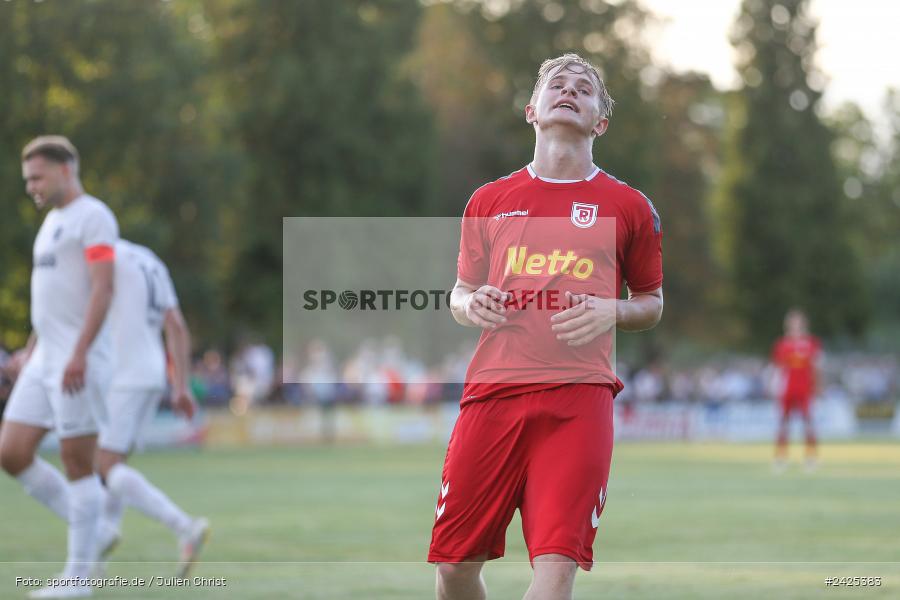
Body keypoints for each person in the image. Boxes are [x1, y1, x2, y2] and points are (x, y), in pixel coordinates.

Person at [428, 54, 664, 600]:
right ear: (532, 110)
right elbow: (459, 293)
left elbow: (651, 303)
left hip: (579, 401)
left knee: (555, 574)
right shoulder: (488, 201)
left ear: (600, 122)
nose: (570, 91)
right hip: (493, 395)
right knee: (454, 569)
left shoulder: (629, 206)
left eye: (584, 88)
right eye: (557, 84)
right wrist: (470, 303)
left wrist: (612, 310)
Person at [0, 136, 118, 598]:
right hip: (45, 358)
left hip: (78, 361)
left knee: (76, 462)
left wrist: (80, 352)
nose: (31, 186)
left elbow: (103, 289)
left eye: (37, 177)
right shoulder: (50, 223)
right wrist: (32, 349)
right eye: (27, 179)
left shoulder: (94, 217)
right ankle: (95, 528)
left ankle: (78, 579)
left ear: (66, 170)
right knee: (11, 451)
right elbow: (51, 301)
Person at [94, 239, 209, 576]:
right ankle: (95, 564)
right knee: (112, 468)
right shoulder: (151, 261)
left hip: (123, 372)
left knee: (104, 465)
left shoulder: (102, 254)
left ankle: (184, 526)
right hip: (152, 371)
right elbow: (176, 325)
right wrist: (181, 385)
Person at [771, 309, 821, 472]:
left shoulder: (812, 343)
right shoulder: (782, 344)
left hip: (805, 389)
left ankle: (811, 457)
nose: (795, 325)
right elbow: (778, 369)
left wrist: (818, 387)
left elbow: (817, 367)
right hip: (787, 389)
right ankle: (780, 457)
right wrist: (774, 387)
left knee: (808, 423)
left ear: (804, 324)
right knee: (783, 423)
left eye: (798, 322)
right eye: (792, 322)